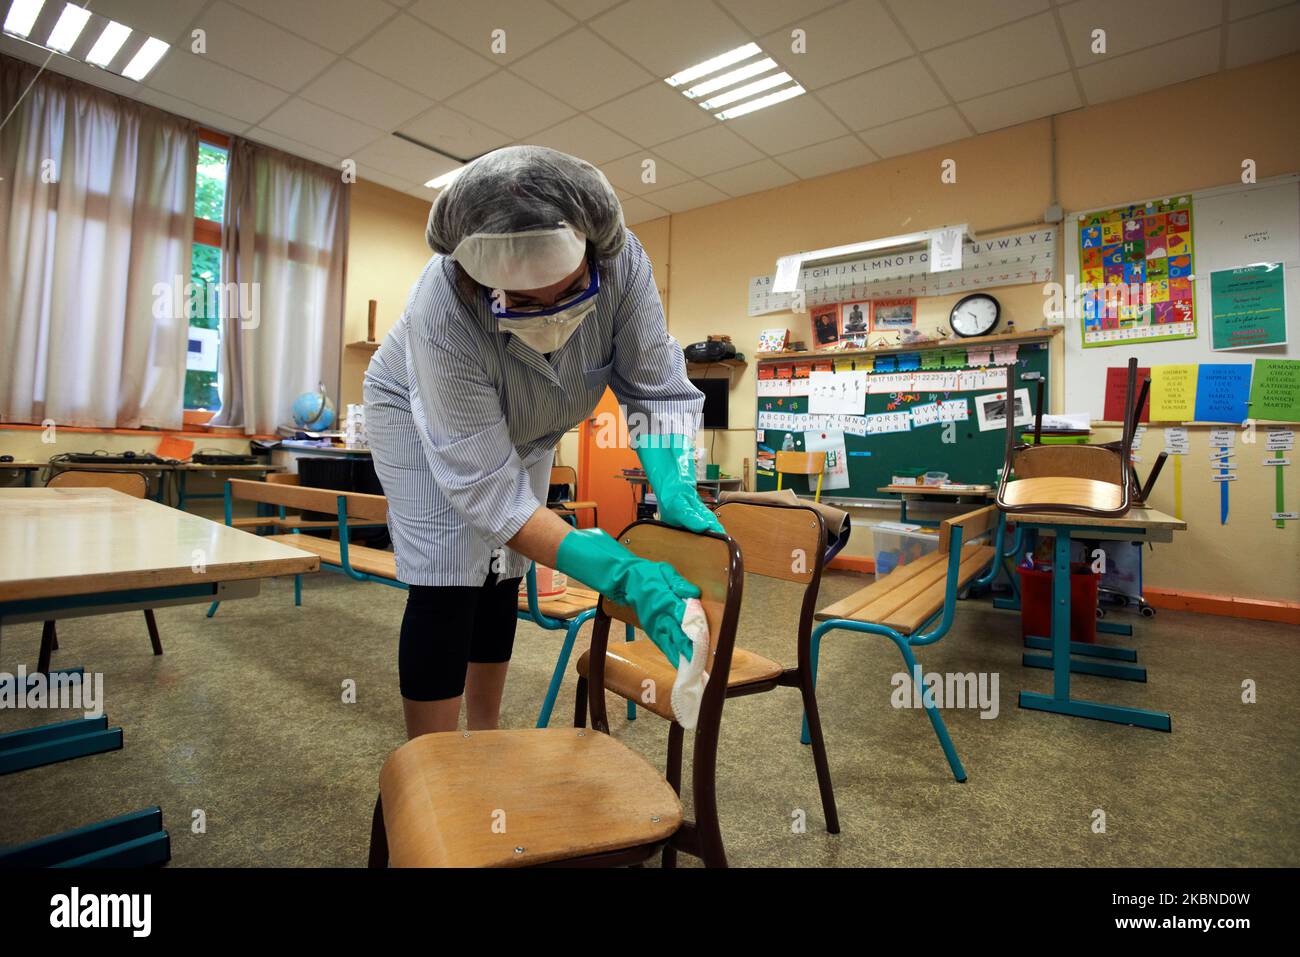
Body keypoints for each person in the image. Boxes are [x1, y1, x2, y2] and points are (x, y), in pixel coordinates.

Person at [363, 145, 723, 739]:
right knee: (450, 577)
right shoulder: (442, 303)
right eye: (523, 303)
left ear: (592, 256)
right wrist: (618, 571)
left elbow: (653, 390)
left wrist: (675, 487)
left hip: (525, 429)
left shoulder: (623, 263)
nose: (550, 315)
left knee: (504, 568)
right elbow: (489, 492)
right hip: (414, 414)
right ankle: (435, 767)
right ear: (473, 278)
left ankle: (486, 736)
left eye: (568, 290)